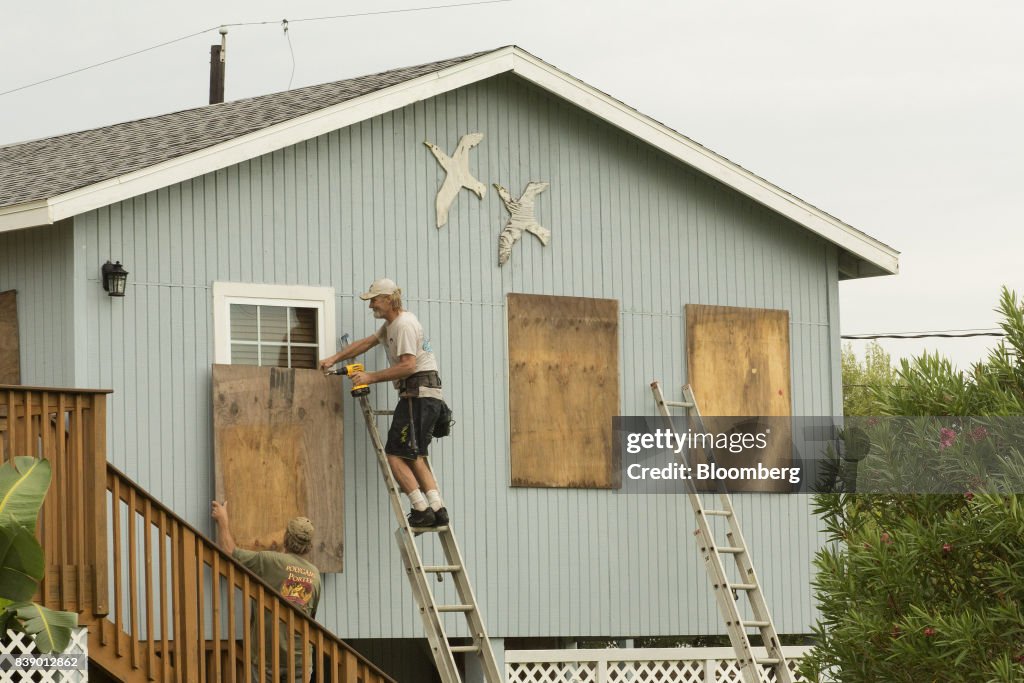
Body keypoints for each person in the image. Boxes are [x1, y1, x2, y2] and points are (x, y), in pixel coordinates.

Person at [318, 277, 449, 527]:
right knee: (416, 454)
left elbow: (408, 365)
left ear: (389, 300)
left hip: (417, 394)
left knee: (394, 455)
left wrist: (370, 377)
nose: (371, 306)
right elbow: (366, 343)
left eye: (374, 301)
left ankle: (421, 509)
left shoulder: (403, 325)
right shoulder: (391, 325)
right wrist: (334, 358)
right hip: (425, 395)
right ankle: (437, 508)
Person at [211, 500, 322, 683]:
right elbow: (311, 616)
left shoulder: (270, 562)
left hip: (268, 658)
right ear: (309, 545)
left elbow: (230, 552)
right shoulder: (315, 575)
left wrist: (223, 520)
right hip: (301, 660)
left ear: (286, 537)